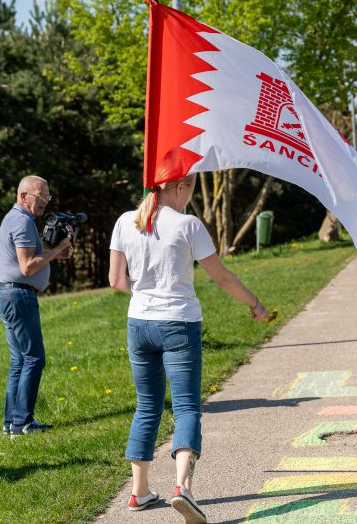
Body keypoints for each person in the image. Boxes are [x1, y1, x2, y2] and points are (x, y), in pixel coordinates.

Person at [109, 173, 268, 522]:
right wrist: (254, 303)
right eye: (190, 189)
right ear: (179, 187)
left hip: (139, 324)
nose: (189, 197)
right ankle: (183, 488)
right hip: (179, 323)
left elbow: (116, 280)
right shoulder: (188, 224)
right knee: (186, 407)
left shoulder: (125, 221)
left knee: (147, 407)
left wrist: (146, 293)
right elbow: (222, 277)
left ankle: (139, 492)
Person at [0, 175, 73, 438]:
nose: (45, 203)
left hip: (8, 293)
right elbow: (27, 267)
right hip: (18, 296)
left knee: (19, 360)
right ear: (23, 196)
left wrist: (54, 253)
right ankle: (22, 423)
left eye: (47, 197)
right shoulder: (22, 221)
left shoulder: (16, 219)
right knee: (34, 359)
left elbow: (26, 262)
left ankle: (11, 423)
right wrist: (57, 248)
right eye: (41, 197)